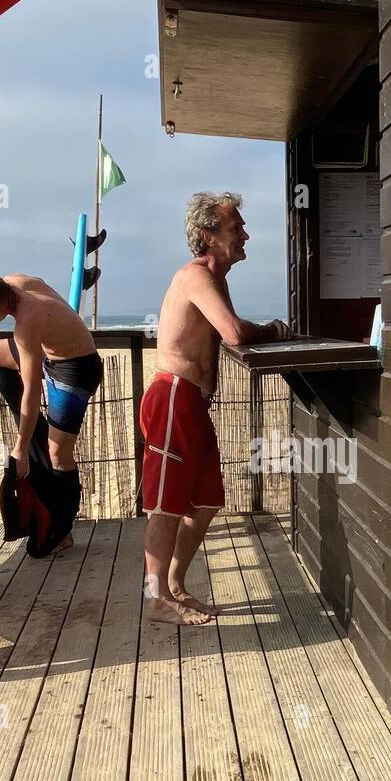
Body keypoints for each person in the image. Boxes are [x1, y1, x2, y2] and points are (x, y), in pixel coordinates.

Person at [140, 192, 290, 625]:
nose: (245, 234)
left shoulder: (216, 279)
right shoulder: (195, 277)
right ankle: (155, 599)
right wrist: (274, 330)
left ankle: (174, 586)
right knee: (165, 506)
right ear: (208, 234)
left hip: (194, 404)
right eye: (235, 227)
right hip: (172, 398)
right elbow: (234, 333)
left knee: (206, 501)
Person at [0, 270, 104, 554]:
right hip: (53, 353)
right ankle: (34, 431)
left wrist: (20, 449)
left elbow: (31, 390)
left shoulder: (27, 324)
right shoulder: (13, 281)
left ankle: (62, 530)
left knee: (58, 454)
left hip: (75, 369)